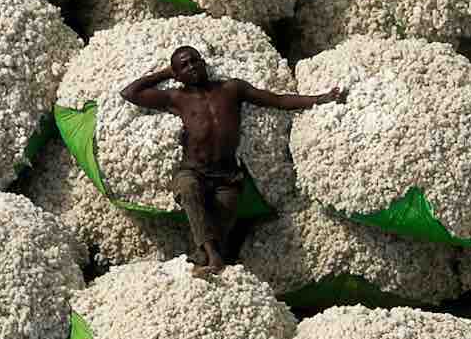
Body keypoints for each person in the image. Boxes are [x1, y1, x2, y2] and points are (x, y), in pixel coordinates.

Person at [120, 46, 346, 275]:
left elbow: (277, 100)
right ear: (178, 75)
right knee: (188, 189)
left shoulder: (232, 89)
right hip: (193, 171)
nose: (192, 67)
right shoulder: (176, 98)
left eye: (194, 61)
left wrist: (320, 98)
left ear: (204, 62)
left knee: (219, 231)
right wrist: (166, 73)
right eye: (184, 66)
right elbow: (129, 93)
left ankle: (204, 260)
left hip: (227, 176)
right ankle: (215, 259)